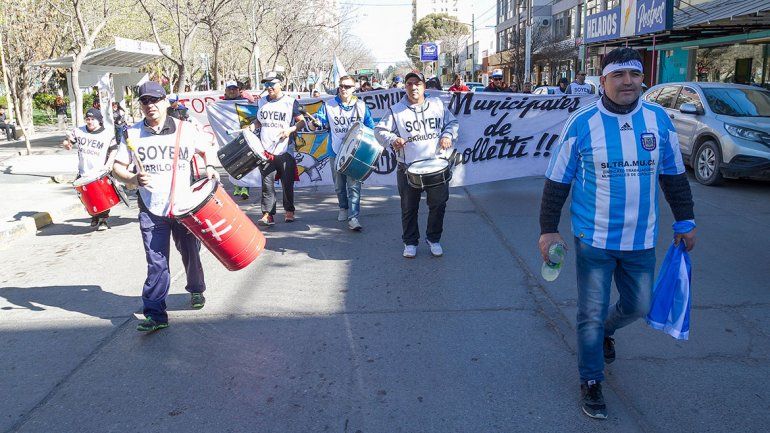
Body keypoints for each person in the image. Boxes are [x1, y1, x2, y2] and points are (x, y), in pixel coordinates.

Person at [538, 48, 696, 419]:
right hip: (593, 238)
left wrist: (685, 220)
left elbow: (673, 176)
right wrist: (548, 230)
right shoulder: (581, 123)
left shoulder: (658, 120)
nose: (628, 82)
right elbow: (557, 181)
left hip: (640, 239)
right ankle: (591, 380)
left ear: (643, 79)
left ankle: (607, 332)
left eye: (635, 75)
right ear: (603, 80)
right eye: (619, 75)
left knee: (639, 306)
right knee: (590, 313)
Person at [112, 81, 220, 332]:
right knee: (156, 261)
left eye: (155, 100)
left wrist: (211, 167)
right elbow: (117, 167)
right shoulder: (132, 134)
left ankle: (196, 289)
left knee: (190, 252)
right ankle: (155, 313)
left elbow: (208, 150)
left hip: (183, 207)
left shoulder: (186, 129)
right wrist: (131, 179)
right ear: (140, 105)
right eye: (145, 101)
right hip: (151, 208)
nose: (150, 106)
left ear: (166, 102)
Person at [374, 71, 459, 258]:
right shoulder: (396, 110)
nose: (413, 87)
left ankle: (433, 239)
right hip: (407, 167)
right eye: (409, 83)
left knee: (438, 204)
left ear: (424, 86)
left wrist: (447, 135)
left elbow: (452, 123)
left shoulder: (437, 105)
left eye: (417, 83)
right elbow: (379, 130)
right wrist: (393, 138)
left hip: (436, 165)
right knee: (408, 207)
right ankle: (410, 242)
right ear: (405, 87)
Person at [311, 75, 375, 231]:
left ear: (354, 88)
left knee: (354, 186)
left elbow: (370, 127)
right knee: (339, 186)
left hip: (356, 153)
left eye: (347, 86)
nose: (344, 89)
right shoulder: (329, 105)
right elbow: (317, 124)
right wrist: (315, 123)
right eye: (341, 86)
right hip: (335, 152)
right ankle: (343, 208)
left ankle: (354, 217)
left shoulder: (361, 106)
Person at [253, 72, 306, 226]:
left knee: (287, 182)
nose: (268, 87)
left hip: (284, 149)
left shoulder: (290, 102)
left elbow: (301, 122)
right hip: (265, 149)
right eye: (266, 84)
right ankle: (268, 214)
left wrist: (290, 130)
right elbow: (259, 121)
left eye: (271, 84)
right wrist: (251, 127)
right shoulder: (262, 101)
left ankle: (289, 211)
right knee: (267, 183)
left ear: (280, 84)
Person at [62, 108, 118, 231]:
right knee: (83, 196)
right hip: (83, 171)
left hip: (99, 171)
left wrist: (109, 163)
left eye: (93, 119)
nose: (90, 122)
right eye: (88, 119)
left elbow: (114, 149)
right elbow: (68, 142)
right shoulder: (79, 131)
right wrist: (66, 144)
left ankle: (103, 220)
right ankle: (94, 215)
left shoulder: (107, 134)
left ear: (99, 121)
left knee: (101, 197)